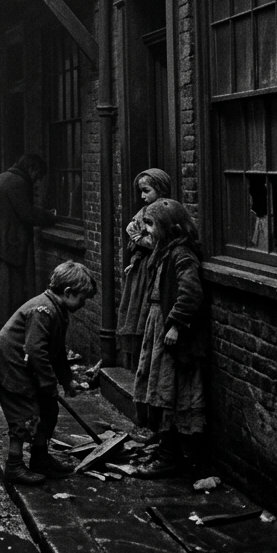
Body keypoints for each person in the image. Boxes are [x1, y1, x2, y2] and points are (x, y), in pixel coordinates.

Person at [0, 260, 96, 485]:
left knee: (48, 409)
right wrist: (48, 384)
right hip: (11, 366)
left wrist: (67, 380)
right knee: (25, 415)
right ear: (67, 292)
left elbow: (57, 350)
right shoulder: (43, 311)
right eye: (82, 299)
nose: (84, 304)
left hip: (27, 366)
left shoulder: (59, 310)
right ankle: (14, 466)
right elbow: (36, 351)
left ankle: (40, 458)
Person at [132, 198, 208, 478]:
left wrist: (175, 325)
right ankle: (166, 449)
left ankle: (171, 457)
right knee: (161, 389)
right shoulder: (164, 251)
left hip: (170, 331)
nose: (147, 230)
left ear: (168, 227)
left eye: (152, 225)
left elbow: (190, 292)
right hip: (157, 324)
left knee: (170, 390)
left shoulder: (182, 254)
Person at [0, 153, 57, 348]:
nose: (37, 181)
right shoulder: (18, 183)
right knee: (0, 292)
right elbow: (27, 214)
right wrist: (51, 217)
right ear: (31, 169)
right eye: (38, 175)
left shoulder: (1, 177)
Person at [116, 168, 172, 371]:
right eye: (141, 191)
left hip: (156, 267)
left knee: (149, 310)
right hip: (142, 267)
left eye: (146, 191)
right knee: (137, 308)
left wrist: (138, 238)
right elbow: (134, 231)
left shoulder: (164, 210)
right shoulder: (144, 210)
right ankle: (138, 362)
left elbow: (159, 242)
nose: (142, 196)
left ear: (160, 188)